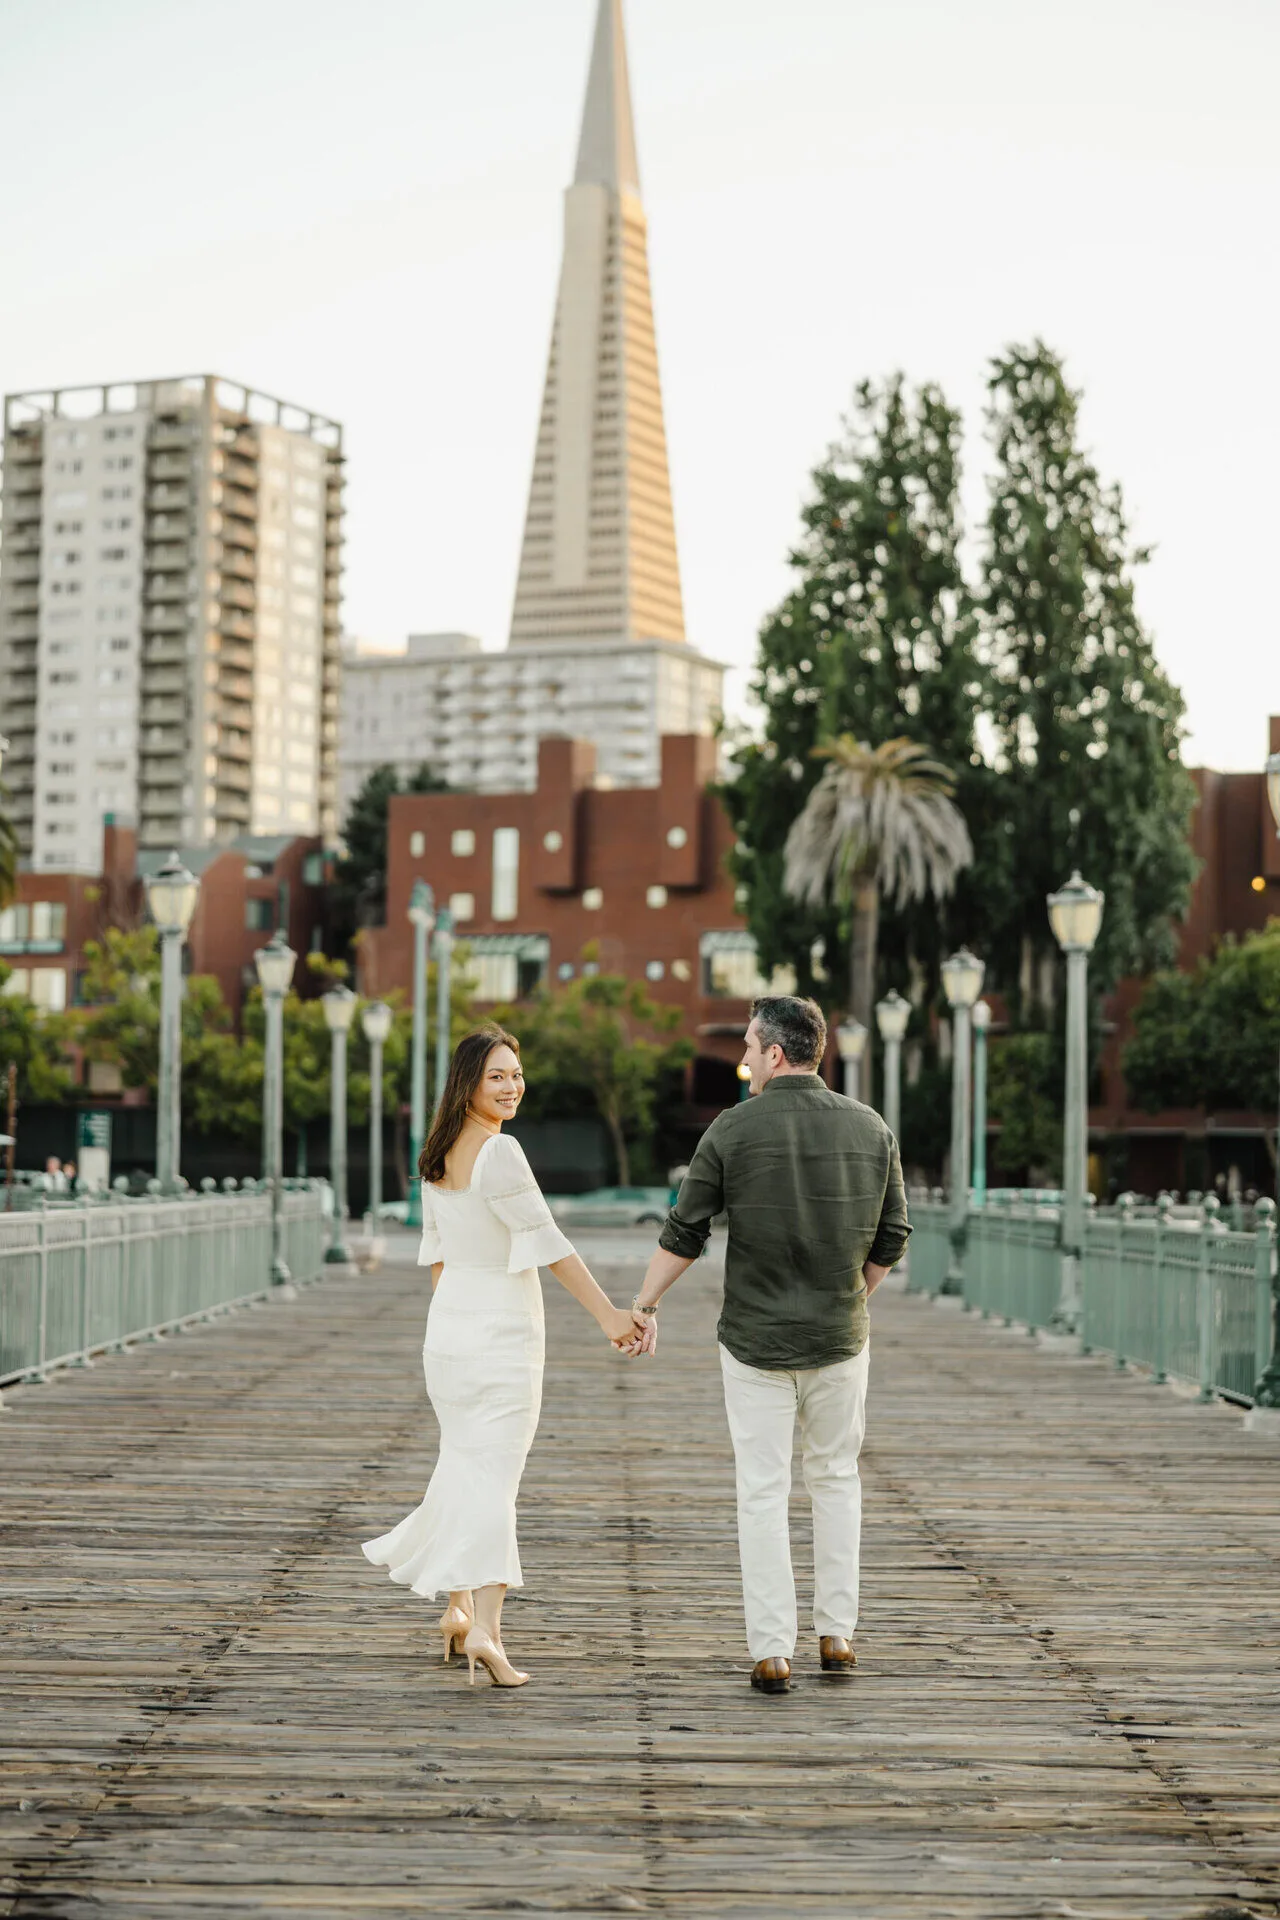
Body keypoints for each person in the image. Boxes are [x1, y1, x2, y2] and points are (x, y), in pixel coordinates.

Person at [630, 995, 910, 1696]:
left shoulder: (731, 1130)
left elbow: (684, 1232)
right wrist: (853, 1296)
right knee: (836, 1480)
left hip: (754, 1342)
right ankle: (837, 1636)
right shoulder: (870, 1129)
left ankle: (772, 1651)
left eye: (750, 1049)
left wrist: (643, 1304)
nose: (744, 1061)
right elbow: (894, 1235)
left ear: (775, 1054)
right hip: (841, 1339)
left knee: (762, 1490)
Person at [362, 1024, 650, 1689]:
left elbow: (435, 1257)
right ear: (468, 1083)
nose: (512, 1086)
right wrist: (610, 1315)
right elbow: (548, 1243)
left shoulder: (436, 1158)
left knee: (465, 1465)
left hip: (451, 1331)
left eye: (517, 1074)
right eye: (498, 1075)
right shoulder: (501, 1153)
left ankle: (459, 1611)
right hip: (499, 1332)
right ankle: (487, 1633)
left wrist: (454, 1324)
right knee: (494, 1481)